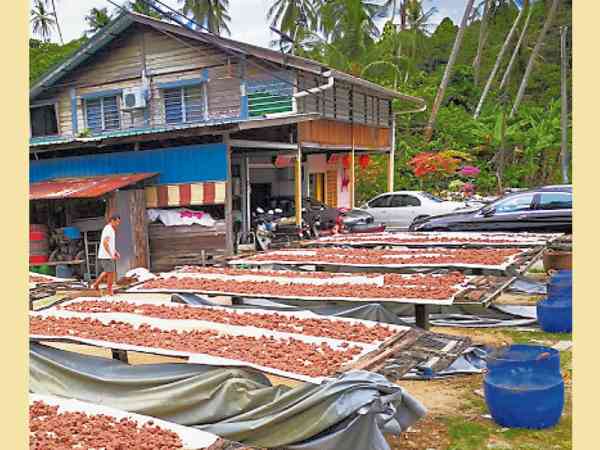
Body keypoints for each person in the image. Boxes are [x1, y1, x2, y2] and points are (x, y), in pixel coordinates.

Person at [91, 215, 121, 296]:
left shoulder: (111, 229)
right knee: (110, 272)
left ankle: (96, 285)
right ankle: (109, 289)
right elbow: (105, 243)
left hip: (107, 254)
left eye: (119, 222)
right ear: (112, 221)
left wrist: (115, 251)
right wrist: (111, 254)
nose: (118, 224)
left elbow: (110, 244)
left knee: (108, 271)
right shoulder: (108, 229)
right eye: (117, 222)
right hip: (106, 255)